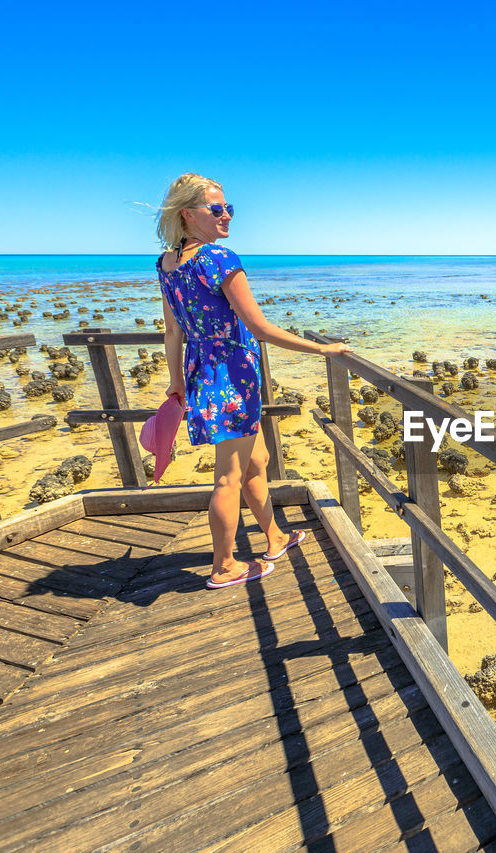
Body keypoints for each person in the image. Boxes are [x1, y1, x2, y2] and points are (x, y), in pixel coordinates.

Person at [155, 173, 353, 589]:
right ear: (188, 214)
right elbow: (260, 329)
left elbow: (174, 332)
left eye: (230, 208)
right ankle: (223, 566)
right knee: (227, 477)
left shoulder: (168, 264)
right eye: (216, 209)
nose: (226, 215)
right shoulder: (218, 258)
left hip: (201, 372)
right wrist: (324, 351)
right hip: (231, 374)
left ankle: (275, 536)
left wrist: (177, 382)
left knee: (256, 460)